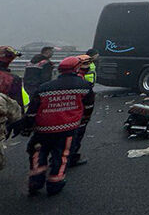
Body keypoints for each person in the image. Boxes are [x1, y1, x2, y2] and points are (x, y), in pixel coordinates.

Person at [21, 55, 94, 195]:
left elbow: (32, 111)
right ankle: (55, 183)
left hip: (42, 130)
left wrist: (27, 126)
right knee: (62, 155)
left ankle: (36, 180)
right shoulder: (84, 87)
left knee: (37, 152)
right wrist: (83, 121)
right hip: (67, 129)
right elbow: (88, 107)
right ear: (76, 68)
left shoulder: (45, 88)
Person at [67, 55, 96, 167]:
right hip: (77, 115)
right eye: (85, 64)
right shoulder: (80, 81)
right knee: (75, 137)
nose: (88, 66)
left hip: (71, 114)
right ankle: (71, 158)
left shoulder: (78, 77)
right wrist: (86, 117)